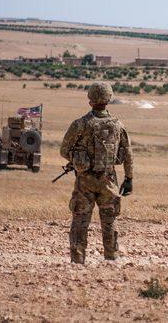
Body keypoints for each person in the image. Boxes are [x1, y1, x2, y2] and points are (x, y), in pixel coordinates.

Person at [60, 82, 134, 264]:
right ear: (109, 99)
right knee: (109, 222)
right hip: (109, 181)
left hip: (85, 181)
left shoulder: (81, 124)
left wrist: (77, 159)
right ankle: (111, 258)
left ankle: (78, 261)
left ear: (90, 100)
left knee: (80, 221)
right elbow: (128, 154)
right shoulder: (118, 125)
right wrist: (129, 179)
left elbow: (63, 150)